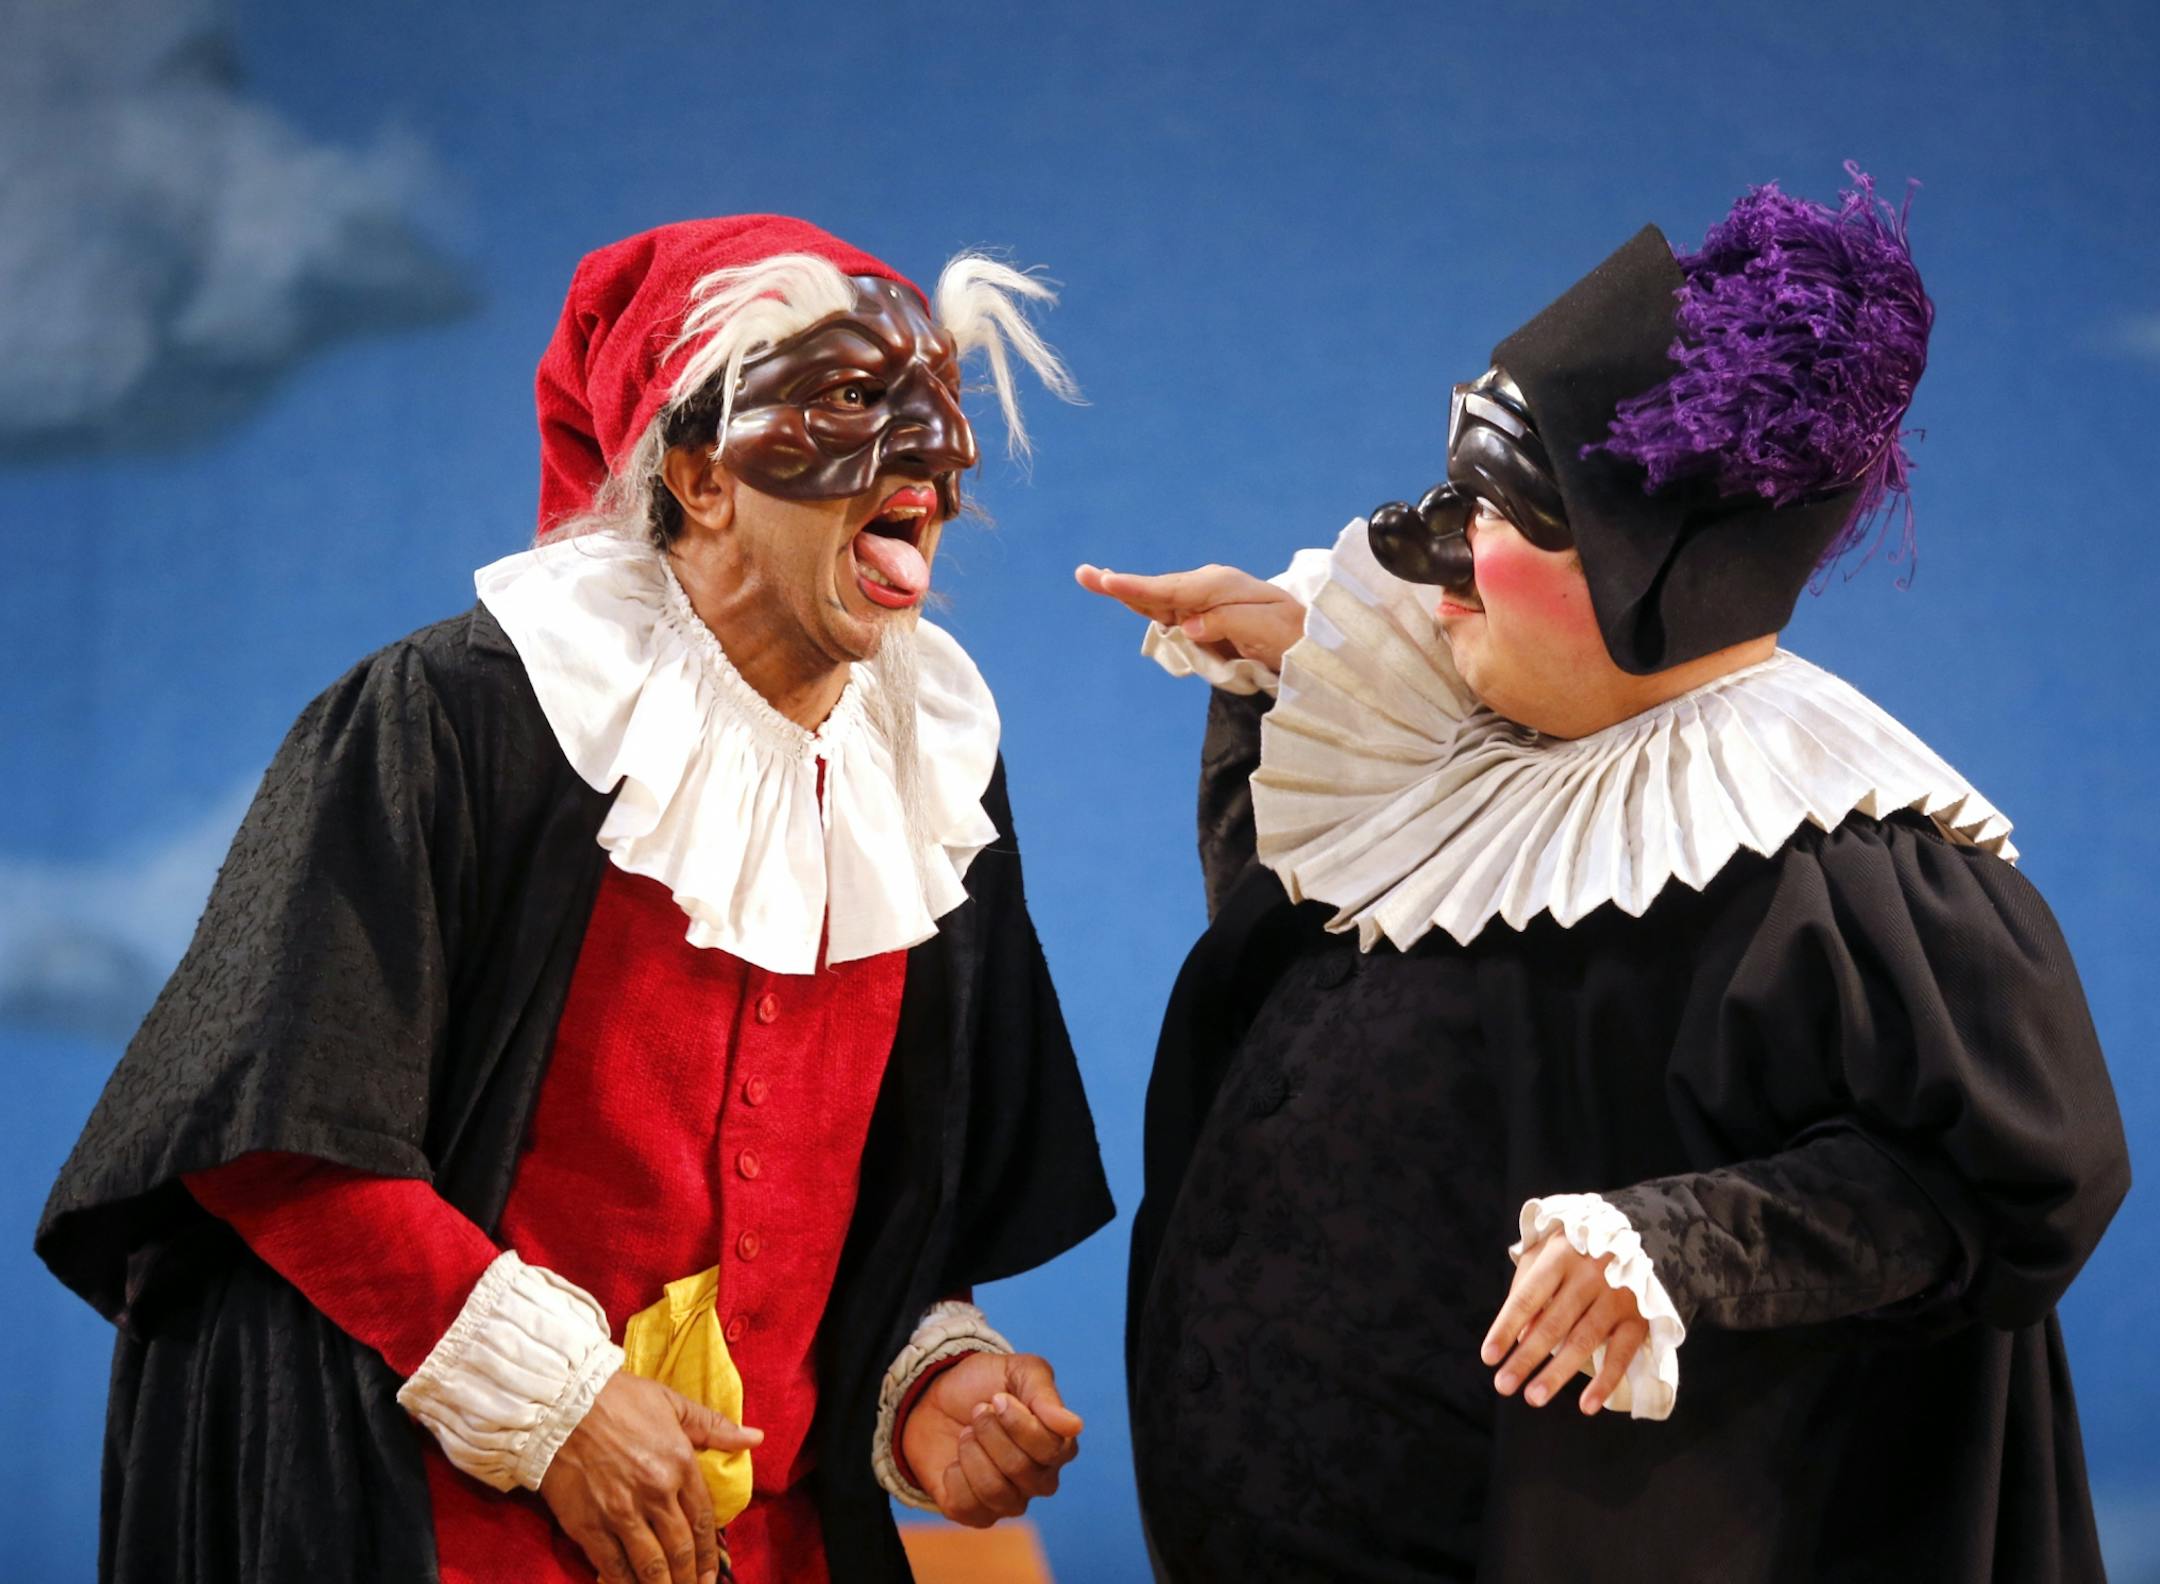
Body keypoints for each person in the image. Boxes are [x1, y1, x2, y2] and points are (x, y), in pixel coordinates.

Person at [1081, 171, 2129, 1581]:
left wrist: (1683, 1245)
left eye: (1503, 516)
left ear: (1657, 579)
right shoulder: (1448, 733)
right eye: (1454, 484)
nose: (1423, 556)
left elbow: (2000, 1189)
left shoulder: (1842, 867)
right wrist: (1298, 680)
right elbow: (1300, 1017)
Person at [38, 214, 1113, 1584]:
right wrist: (560, 1407)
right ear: (699, 474)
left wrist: (921, 1378)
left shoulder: (934, 774)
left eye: (942, 410)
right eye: (851, 401)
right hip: (439, 1526)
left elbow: (890, 1196)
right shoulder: (458, 717)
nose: (938, 460)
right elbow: (275, 1130)